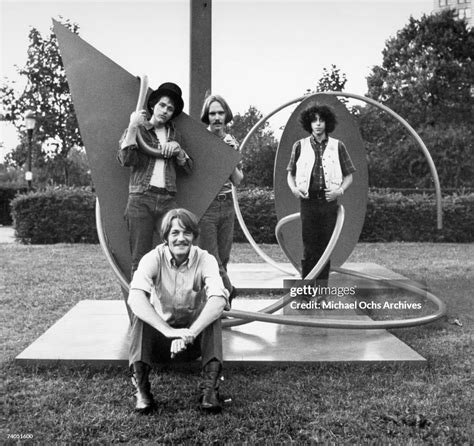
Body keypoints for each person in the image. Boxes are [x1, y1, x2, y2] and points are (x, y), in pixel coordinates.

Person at [127, 208, 229, 414]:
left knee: (213, 315)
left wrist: (190, 332)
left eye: (186, 233)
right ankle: (142, 391)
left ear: (193, 236)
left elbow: (219, 299)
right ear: (165, 237)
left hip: (194, 339)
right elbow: (135, 298)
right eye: (175, 233)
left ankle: (210, 392)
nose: (181, 238)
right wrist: (169, 332)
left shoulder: (205, 259)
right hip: (161, 340)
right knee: (141, 317)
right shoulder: (152, 258)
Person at [118, 82, 193, 276]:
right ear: (153, 105)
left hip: (167, 200)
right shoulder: (139, 129)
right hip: (141, 199)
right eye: (162, 105)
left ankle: (166, 305)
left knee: (173, 256)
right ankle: (140, 305)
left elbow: (188, 169)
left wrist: (179, 152)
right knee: (140, 260)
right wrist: (133, 126)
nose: (165, 110)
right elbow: (126, 159)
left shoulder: (176, 135)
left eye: (170, 108)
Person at [287, 104, 356, 288]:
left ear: (327, 123)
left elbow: (349, 175)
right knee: (310, 247)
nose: (317, 124)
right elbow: (290, 173)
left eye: (321, 120)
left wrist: (339, 191)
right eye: (314, 120)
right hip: (308, 201)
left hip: (328, 201)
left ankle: (322, 290)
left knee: (326, 247)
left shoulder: (338, 146)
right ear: (308, 123)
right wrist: (294, 188)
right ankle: (307, 288)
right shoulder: (299, 146)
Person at [198, 95, 243, 304]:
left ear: (226, 115)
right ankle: (229, 292)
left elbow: (238, 180)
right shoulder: (200, 140)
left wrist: (230, 157)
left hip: (226, 205)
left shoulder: (231, 141)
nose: (216, 117)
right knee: (212, 260)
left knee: (223, 259)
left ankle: (221, 304)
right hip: (206, 206)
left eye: (220, 113)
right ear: (207, 116)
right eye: (212, 113)